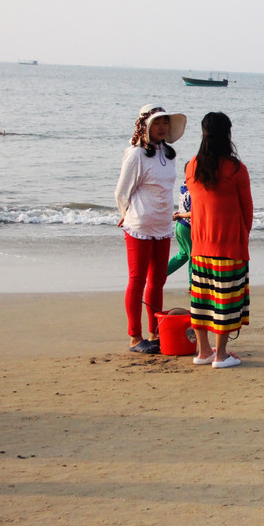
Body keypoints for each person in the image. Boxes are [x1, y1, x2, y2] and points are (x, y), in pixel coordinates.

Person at [115, 104, 187, 353]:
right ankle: (135, 337)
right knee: (137, 280)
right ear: (145, 126)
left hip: (163, 224)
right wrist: (125, 215)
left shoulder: (169, 155)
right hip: (140, 225)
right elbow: (122, 191)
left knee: (157, 280)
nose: (161, 127)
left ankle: (155, 332)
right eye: (156, 123)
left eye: (164, 123)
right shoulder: (136, 155)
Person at [185, 112, 253, 368]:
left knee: (201, 300)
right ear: (227, 133)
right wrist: (241, 237)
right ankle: (221, 355)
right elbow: (247, 211)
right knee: (225, 301)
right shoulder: (236, 168)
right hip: (229, 245)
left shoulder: (192, 166)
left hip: (200, 244)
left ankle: (203, 352)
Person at [166, 182, 192, 287]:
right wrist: (180, 215)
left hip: (180, 226)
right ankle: (193, 284)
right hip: (188, 227)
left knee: (183, 255)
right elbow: (193, 212)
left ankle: (159, 275)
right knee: (193, 256)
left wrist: (179, 214)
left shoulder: (183, 188)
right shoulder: (192, 192)